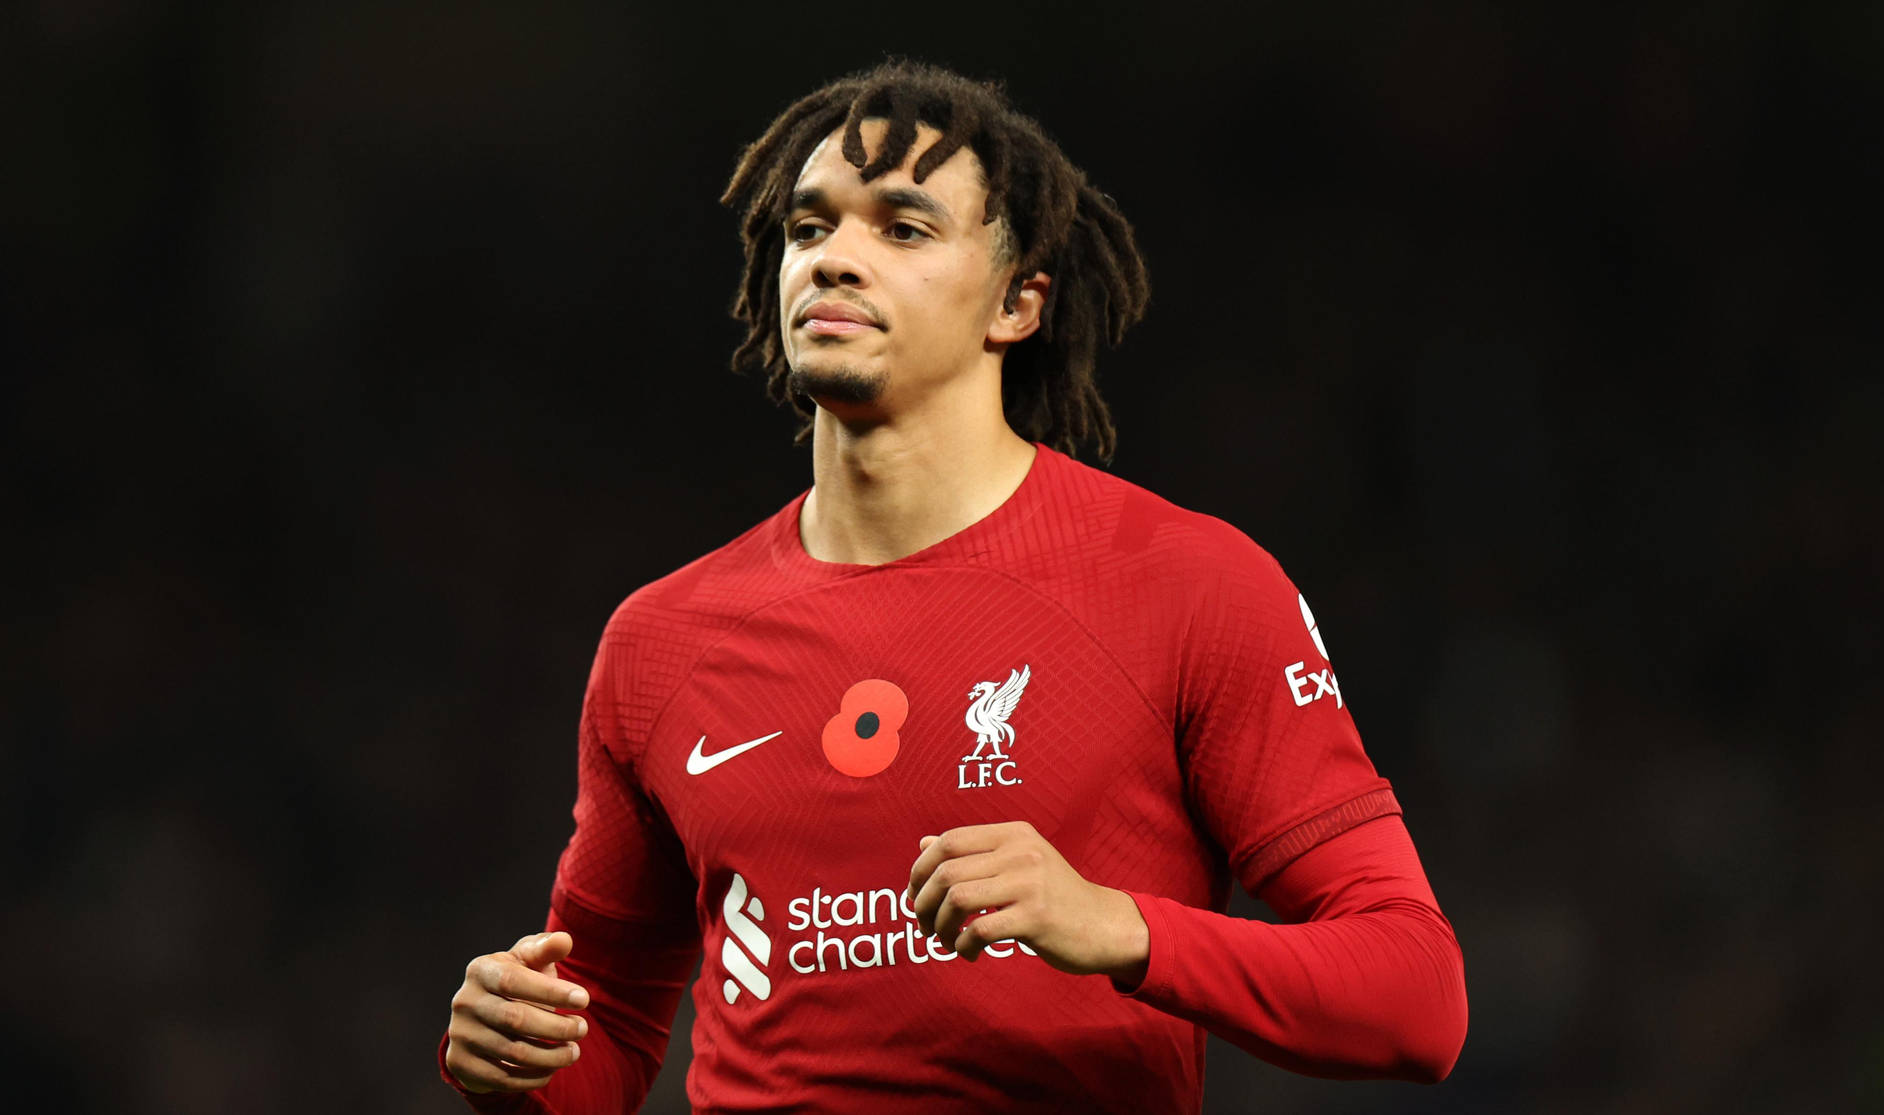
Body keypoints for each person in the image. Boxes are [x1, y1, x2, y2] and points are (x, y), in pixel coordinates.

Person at [440, 61, 1468, 1113]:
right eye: (809, 227)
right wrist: (512, 1061)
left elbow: (1417, 995)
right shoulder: (660, 640)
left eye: (903, 228)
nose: (834, 258)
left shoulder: (1186, 585)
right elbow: (607, 1022)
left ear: (1017, 302)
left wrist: (1119, 924)